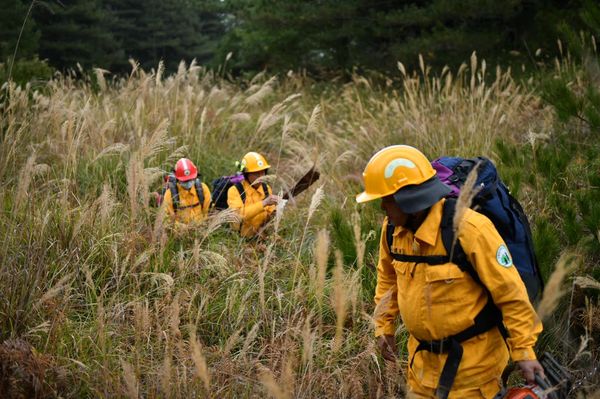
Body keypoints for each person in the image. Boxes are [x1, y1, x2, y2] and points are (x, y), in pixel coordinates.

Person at [355, 145, 544, 398]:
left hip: (473, 374)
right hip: (421, 372)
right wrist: (384, 327)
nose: (382, 208)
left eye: (386, 200)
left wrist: (524, 351)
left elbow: (510, 293)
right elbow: (388, 278)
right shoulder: (392, 230)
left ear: (408, 199)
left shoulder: (469, 229)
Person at [227, 151, 280, 237]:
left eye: (262, 172)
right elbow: (238, 216)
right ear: (246, 174)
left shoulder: (266, 189)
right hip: (240, 241)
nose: (260, 176)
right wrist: (264, 203)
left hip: (261, 238)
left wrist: (276, 210)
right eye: (256, 173)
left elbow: (271, 214)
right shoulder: (234, 191)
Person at [162, 158, 211, 225]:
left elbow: (207, 213)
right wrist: (181, 228)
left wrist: (202, 225)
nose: (188, 183)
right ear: (177, 179)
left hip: (201, 229)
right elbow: (167, 219)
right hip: (179, 233)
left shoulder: (203, 189)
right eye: (185, 181)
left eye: (191, 179)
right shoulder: (170, 194)